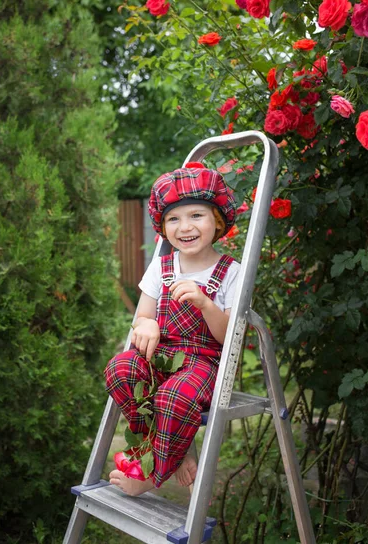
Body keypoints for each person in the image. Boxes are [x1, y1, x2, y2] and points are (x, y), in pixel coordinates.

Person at [105, 162, 240, 496]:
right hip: (160, 358)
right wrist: (146, 324)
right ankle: (168, 451)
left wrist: (206, 303)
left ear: (217, 221)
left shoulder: (230, 272)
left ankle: (152, 474)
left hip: (203, 364)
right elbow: (142, 316)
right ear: (163, 228)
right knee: (120, 368)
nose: (185, 226)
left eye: (196, 215)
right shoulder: (161, 267)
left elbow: (229, 338)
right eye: (174, 219)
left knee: (173, 396)